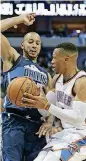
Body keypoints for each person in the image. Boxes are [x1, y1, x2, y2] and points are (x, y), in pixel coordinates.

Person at [1, 13, 54, 161]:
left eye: (38, 43)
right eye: (31, 41)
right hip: (14, 121)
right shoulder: (12, 59)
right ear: (22, 45)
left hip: (37, 126)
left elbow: (52, 102)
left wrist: (49, 122)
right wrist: (20, 19)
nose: (34, 45)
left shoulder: (46, 75)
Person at [22, 42, 86, 161]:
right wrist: (37, 100)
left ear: (66, 59)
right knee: (39, 159)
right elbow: (46, 111)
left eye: (54, 57)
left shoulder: (81, 81)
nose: (51, 61)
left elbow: (78, 118)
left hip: (82, 134)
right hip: (66, 133)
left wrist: (47, 106)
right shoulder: (56, 79)